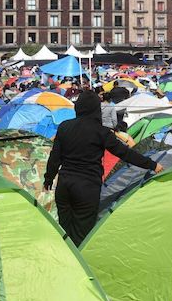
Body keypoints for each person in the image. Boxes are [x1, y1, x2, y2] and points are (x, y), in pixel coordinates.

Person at [44, 90, 163, 246]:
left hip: (64, 186)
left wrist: (48, 178)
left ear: (77, 107)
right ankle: (80, 266)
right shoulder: (101, 132)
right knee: (82, 236)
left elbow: (55, 158)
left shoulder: (64, 127)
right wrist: (153, 165)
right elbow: (125, 154)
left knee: (65, 232)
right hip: (87, 188)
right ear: (96, 109)